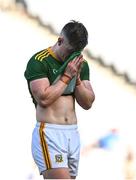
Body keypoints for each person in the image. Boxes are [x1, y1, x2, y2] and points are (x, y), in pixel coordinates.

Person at [24, 20, 95, 179]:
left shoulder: (81, 64)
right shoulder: (39, 61)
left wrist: (76, 79)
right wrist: (67, 76)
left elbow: (88, 102)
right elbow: (44, 98)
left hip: (72, 134)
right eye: (70, 51)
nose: (72, 56)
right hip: (50, 133)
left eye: (77, 52)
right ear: (60, 41)